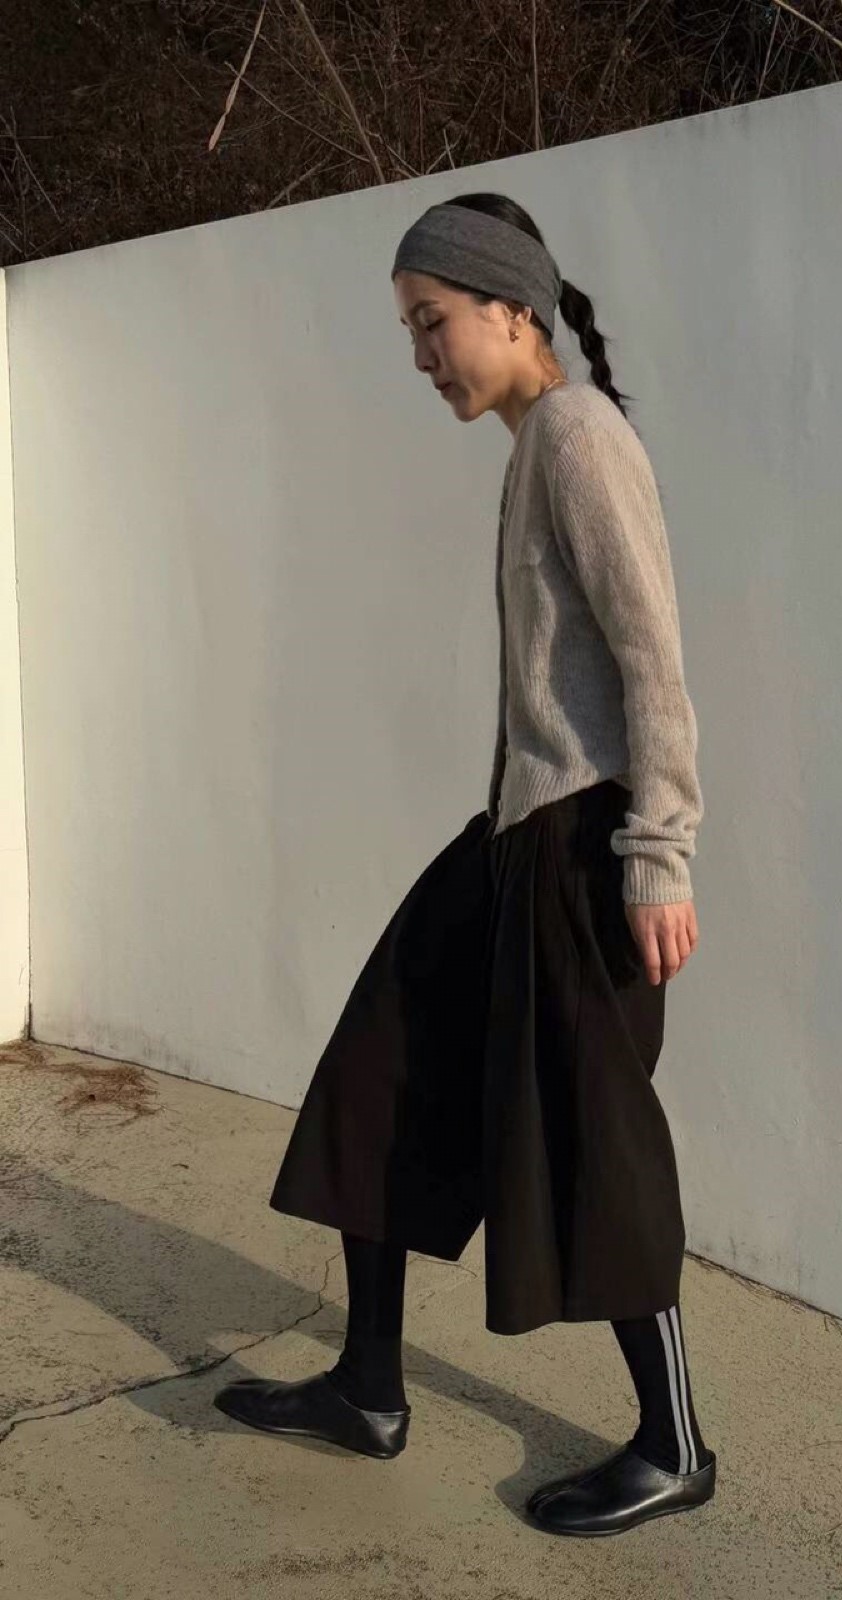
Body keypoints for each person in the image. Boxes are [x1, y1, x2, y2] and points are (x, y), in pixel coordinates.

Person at [213, 193, 715, 1537]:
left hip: (585, 839)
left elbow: (654, 658)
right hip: (516, 832)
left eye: (432, 321)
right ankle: (368, 1389)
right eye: (409, 330)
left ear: (511, 307)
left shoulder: (579, 438)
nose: (423, 353)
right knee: (383, 1060)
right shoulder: (539, 442)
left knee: (597, 1135)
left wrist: (658, 855)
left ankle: (675, 1446)